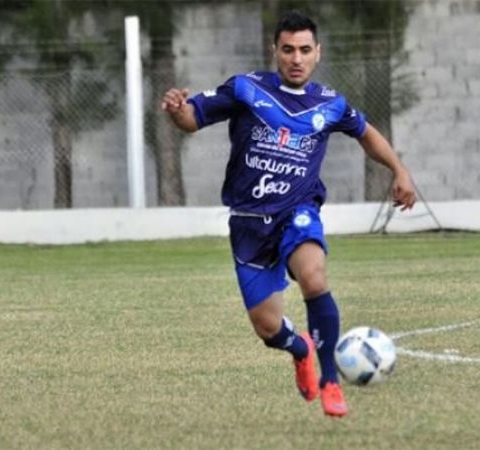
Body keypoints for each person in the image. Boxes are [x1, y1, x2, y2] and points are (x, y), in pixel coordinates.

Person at [161, 11, 416, 417]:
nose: (296, 58)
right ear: (274, 51)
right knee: (267, 328)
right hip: (248, 222)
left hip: (297, 211)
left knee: (314, 277)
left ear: (317, 53)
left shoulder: (331, 104)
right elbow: (193, 118)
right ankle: (300, 348)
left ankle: (331, 380)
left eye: (304, 50)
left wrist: (399, 171)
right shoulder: (247, 89)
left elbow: (366, 134)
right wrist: (177, 110)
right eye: (287, 50)